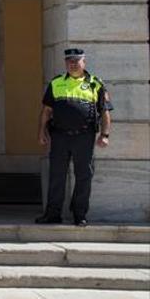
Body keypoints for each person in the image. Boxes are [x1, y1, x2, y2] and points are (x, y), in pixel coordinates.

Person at [36, 48, 113, 227]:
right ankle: (53, 214)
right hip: (60, 137)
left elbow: (105, 112)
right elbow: (46, 111)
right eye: (69, 60)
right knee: (56, 176)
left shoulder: (96, 84)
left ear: (84, 62)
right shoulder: (56, 83)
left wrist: (105, 134)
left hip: (84, 138)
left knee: (84, 175)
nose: (72, 63)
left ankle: (80, 214)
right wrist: (41, 132)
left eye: (76, 60)